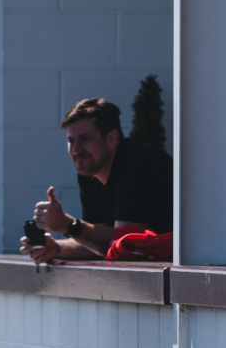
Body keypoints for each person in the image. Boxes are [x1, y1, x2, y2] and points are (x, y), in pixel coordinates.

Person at [21, 97, 173, 264]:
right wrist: (55, 248)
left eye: (85, 139)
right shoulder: (89, 174)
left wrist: (68, 225)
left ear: (111, 140)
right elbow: (97, 242)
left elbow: (124, 246)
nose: (76, 150)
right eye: (71, 141)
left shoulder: (140, 163)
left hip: (180, 275)